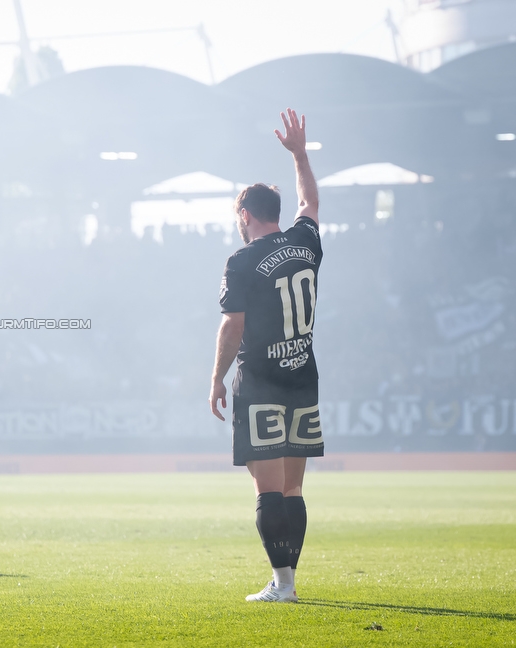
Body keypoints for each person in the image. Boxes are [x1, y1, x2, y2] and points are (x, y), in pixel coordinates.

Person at [208, 108, 323, 603]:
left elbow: (232, 325)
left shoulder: (241, 260)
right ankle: (288, 582)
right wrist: (300, 154)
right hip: (303, 375)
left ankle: (283, 586)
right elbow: (310, 200)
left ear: (245, 216)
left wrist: (216, 378)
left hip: (261, 379)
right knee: (293, 489)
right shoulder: (304, 241)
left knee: (267, 487)